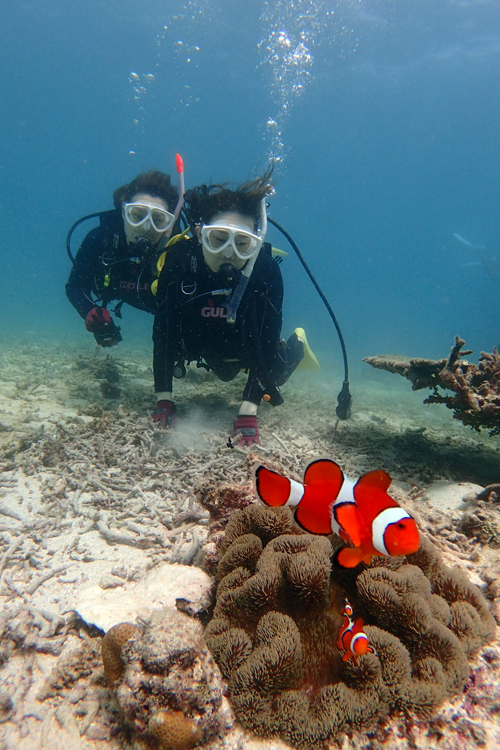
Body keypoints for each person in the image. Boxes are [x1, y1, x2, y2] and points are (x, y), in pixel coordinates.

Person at [151, 171, 319, 446]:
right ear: (199, 234)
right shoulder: (179, 261)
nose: (229, 253)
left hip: (248, 347)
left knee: (276, 371)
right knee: (201, 356)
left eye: (242, 244)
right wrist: (164, 400)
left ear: (256, 243)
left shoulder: (266, 271)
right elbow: (163, 332)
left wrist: (248, 412)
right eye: (218, 239)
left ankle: (297, 344)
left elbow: (266, 343)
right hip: (200, 343)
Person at [66, 169, 183, 347]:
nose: (146, 227)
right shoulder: (100, 240)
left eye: (158, 220)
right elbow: (75, 286)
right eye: (137, 215)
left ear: (170, 224)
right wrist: (91, 311)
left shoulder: (178, 251)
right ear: (123, 213)